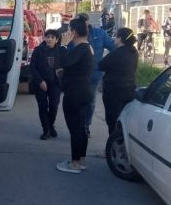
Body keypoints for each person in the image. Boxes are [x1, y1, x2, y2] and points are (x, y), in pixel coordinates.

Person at [56, 17, 95, 174]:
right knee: (81, 127)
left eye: (69, 30)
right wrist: (65, 74)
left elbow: (64, 61)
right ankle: (81, 159)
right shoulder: (87, 47)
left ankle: (75, 163)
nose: (66, 33)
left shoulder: (81, 48)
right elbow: (76, 67)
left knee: (76, 129)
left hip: (76, 94)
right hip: (82, 91)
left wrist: (63, 45)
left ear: (74, 32)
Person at [75, 12, 114, 138]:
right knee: (76, 101)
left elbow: (114, 47)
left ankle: (86, 125)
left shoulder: (100, 34)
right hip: (77, 76)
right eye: (79, 21)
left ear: (88, 21)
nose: (82, 24)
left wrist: (107, 64)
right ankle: (78, 125)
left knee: (90, 101)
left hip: (94, 74)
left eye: (84, 21)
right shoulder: (74, 34)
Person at [98, 28, 139, 135]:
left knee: (112, 120)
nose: (114, 39)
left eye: (116, 36)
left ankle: (113, 143)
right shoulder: (134, 52)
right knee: (125, 119)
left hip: (114, 91)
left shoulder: (116, 53)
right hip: (130, 89)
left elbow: (101, 65)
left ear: (120, 39)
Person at [29, 29, 63, 140]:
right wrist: (40, 81)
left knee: (54, 105)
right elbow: (32, 68)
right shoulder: (38, 50)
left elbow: (64, 66)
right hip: (41, 84)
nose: (49, 39)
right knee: (43, 106)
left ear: (56, 40)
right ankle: (46, 130)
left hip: (55, 84)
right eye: (47, 37)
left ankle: (51, 125)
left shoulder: (60, 51)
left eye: (52, 37)